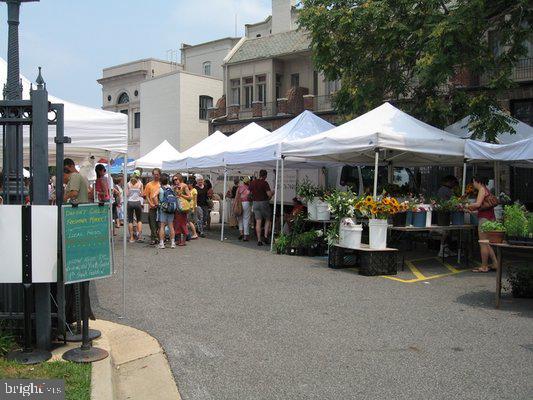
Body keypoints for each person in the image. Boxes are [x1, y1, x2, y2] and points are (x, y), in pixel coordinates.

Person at [468, 176, 498, 273]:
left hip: (484, 219)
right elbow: (482, 206)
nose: (473, 184)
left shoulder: (481, 189)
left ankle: (484, 266)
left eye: (473, 182)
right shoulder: (486, 189)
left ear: (478, 181)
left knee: (483, 243)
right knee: (487, 243)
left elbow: (477, 204)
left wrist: (466, 205)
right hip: (490, 217)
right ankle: (495, 263)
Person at [249, 169, 274, 246]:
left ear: (259, 175)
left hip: (255, 203)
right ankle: (266, 237)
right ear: (265, 176)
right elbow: (269, 194)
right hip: (263, 203)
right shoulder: (265, 183)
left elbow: (249, 193)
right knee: (267, 219)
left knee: (258, 222)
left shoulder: (253, 182)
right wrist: (272, 193)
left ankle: (259, 240)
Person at [437, 175, 459, 258]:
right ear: (449, 182)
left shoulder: (442, 189)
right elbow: (453, 201)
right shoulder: (446, 190)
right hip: (445, 214)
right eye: (453, 183)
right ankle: (442, 250)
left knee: (447, 232)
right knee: (445, 232)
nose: (453, 185)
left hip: (444, 213)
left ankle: (445, 249)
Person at [172, 174, 191, 246]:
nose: (175, 181)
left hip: (183, 207)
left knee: (183, 224)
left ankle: (184, 241)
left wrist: (181, 195)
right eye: (174, 180)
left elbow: (189, 197)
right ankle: (179, 240)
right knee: (177, 224)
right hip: (177, 208)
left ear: (180, 178)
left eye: (176, 179)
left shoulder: (184, 186)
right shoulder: (175, 186)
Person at [157, 174, 176, 249]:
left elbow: (161, 200)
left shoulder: (161, 189)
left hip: (163, 209)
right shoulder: (171, 188)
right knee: (171, 226)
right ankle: (173, 243)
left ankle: (162, 243)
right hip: (171, 209)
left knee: (162, 226)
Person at [144, 168, 161, 245]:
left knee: (159, 223)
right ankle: (153, 238)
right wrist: (150, 203)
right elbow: (147, 195)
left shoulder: (161, 184)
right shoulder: (149, 184)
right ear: (152, 174)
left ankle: (157, 236)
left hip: (160, 207)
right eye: (154, 174)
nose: (156, 176)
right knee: (152, 223)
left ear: (159, 175)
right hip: (151, 206)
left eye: (157, 174)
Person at [127, 171, 144, 243]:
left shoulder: (128, 184)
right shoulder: (140, 184)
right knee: (139, 220)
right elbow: (142, 194)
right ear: (139, 176)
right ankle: (139, 237)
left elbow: (127, 194)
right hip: (137, 202)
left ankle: (131, 238)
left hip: (130, 202)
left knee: (130, 220)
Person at [235, 176, 252, 241]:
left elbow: (236, 197)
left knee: (240, 219)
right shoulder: (250, 188)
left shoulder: (240, 187)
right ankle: (245, 235)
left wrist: (235, 204)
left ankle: (241, 233)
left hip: (240, 203)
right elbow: (251, 197)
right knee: (246, 219)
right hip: (247, 203)